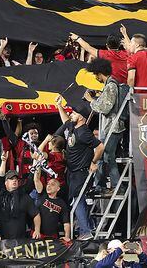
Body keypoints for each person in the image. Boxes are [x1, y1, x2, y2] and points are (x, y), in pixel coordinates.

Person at [45, 97, 103, 240]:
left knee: (78, 201)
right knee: (78, 201)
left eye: (74, 113)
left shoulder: (84, 132)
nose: (71, 115)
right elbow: (65, 121)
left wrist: (93, 161)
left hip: (80, 172)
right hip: (71, 172)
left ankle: (85, 231)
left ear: (81, 117)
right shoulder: (73, 127)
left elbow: (100, 147)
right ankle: (90, 225)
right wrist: (59, 106)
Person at [84, 58, 126, 193]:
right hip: (110, 127)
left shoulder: (111, 86)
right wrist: (98, 95)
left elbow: (105, 108)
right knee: (103, 156)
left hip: (112, 128)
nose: (96, 78)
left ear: (100, 72)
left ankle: (117, 186)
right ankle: (100, 185)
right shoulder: (110, 85)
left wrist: (91, 101)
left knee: (108, 156)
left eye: (96, 75)